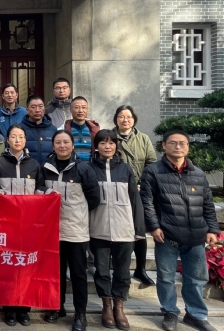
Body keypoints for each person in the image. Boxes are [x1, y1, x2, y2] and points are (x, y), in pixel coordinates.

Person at [140, 130, 219, 331]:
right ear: (164, 145)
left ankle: (196, 315)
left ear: (188, 147)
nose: (178, 147)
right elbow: (147, 202)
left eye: (182, 143)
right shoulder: (153, 171)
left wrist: (212, 229)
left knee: (196, 278)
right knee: (166, 277)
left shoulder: (198, 173)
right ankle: (170, 312)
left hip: (195, 235)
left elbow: (207, 204)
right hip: (166, 235)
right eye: (173, 143)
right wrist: (154, 226)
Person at [0, 123, 44, 327]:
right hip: (5, 224)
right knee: (8, 267)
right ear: (7, 139)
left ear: (25, 140)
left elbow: (41, 188)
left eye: (21, 137)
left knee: (26, 267)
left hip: (28, 225)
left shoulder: (34, 165)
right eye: (13, 136)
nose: (17, 140)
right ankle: (9, 308)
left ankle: (24, 308)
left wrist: (46, 196)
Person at [42, 130, 100, 331]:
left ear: (73, 145)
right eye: (58, 142)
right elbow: (40, 190)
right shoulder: (46, 167)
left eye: (66, 142)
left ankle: (80, 314)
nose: (62, 145)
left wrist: (78, 213)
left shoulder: (83, 169)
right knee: (55, 272)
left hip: (76, 230)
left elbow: (94, 198)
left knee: (78, 274)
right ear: (53, 145)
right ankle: (56, 307)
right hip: (52, 231)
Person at [87, 130, 144, 330]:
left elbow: (135, 200)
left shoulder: (126, 169)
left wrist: (138, 229)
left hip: (124, 229)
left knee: (122, 271)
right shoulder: (89, 169)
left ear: (116, 146)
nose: (107, 146)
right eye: (103, 143)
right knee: (102, 271)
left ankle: (119, 307)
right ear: (96, 146)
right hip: (98, 228)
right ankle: (106, 306)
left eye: (111, 143)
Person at [113, 105, 157, 286]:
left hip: (139, 190)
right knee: (120, 231)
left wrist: (142, 184)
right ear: (116, 119)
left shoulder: (143, 138)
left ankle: (141, 268)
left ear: (134, 119)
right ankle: (119, 269)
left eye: (129, 117)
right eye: (121, 116)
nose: (125, 120)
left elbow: (151, 163)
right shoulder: (110, 137)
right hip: (118, 190)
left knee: (139, 230)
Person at [21, 95, 57, 165]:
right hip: (27, 169)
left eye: (40, 106)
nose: (37, 110)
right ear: (27, 110)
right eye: (33, 107)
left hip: (48, 169)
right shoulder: (20, 129)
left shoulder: (53, 129)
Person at [64, 96, 100, 162]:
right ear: (70, 110)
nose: (80, 111)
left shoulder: (94, 130)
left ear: (87, 110)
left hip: (90, 167)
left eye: (84, 107)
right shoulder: (64, 130)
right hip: (71, 167)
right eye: (76, 107)